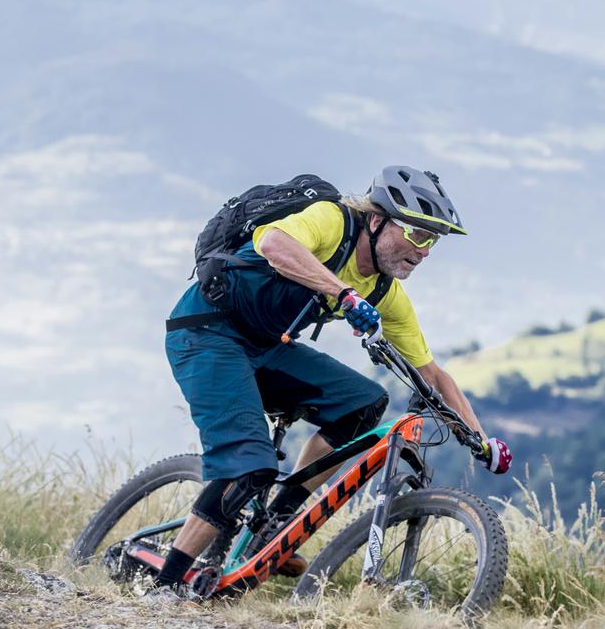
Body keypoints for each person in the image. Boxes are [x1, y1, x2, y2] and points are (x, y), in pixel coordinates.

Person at [148, 165, 511, 597]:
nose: (425, 251)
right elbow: (273, 242)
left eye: (433, 241)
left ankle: (276, 520)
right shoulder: (332, 220)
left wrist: (479, 439)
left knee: (363, 403)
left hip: (265, 346)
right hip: (206, 333)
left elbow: (432, 374)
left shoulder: (383, 292)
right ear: (376, 220)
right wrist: (342, 293)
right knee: (250, 465)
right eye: (417, 234)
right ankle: (164, 585)